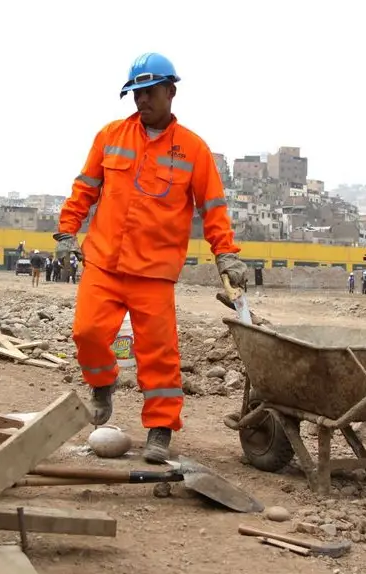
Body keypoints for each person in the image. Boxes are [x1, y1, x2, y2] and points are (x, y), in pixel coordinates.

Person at [55, 52, 247, 463]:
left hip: (154, 272)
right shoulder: (110, 136)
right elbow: (85, 188)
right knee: (87, 333)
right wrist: (66, 230)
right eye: (136, 93)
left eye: (149, 92)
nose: (141, 100)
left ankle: (160, 429)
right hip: (104, 262)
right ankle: (102, 385)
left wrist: (226, 255)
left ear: (170, 91)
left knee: (158, 354)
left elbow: (213, 209)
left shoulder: (193, 150)